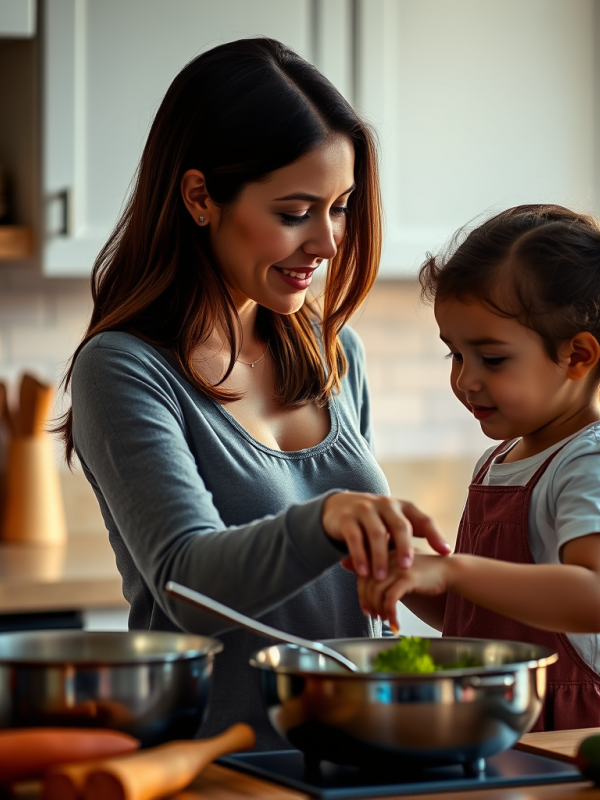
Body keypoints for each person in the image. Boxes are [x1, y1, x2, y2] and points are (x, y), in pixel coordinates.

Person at [57, 38, 450, 747]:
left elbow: (348, 588)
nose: (328, 243)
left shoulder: (335, 355)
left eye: (341, 207)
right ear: (200, 197)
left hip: (347, 755)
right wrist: (327, 517)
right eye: (297, 211)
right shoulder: (122, 370)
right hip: (212, 767)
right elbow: (187, 584)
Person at [354, 204, 600, 730]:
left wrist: (448, 567)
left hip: (572, 726)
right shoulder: (500, 461)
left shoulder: (595, 460)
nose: (465, 379)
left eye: (490, 358)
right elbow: (470, 616)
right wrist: (402, 574)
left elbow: (593, 598)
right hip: (497, 715)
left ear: (578, 355)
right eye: (455, 355)